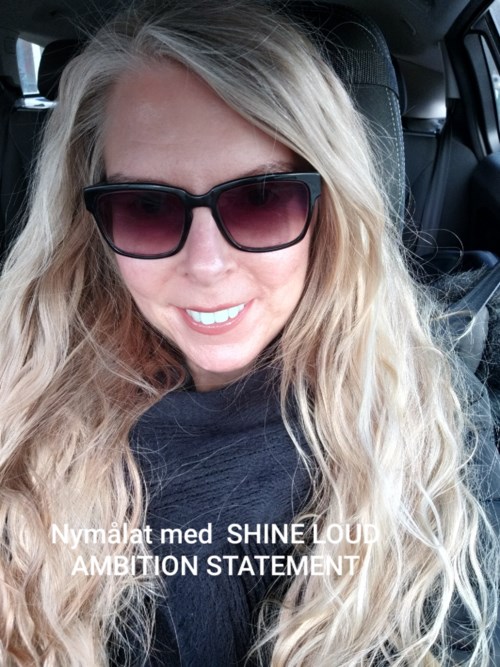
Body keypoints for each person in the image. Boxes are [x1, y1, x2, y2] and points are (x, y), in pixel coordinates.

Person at [0, 1, 498, 665]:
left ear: (329, 209)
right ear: (91, 227)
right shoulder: (23, 417)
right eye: (144, 207)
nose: (206, 266)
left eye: (262, 199)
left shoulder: (436, 432)